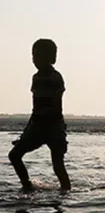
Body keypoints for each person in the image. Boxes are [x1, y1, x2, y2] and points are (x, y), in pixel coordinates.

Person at [9, 39, 71, 191]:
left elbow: (57, 106)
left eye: (40, 56)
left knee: (58, 165)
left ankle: (66, 192)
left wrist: (56, 130)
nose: (36, 60)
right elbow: (35, 107)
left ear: (52, 58)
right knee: (14, 156)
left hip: (53, 125)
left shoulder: (56, 77)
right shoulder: (35, 78)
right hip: (37, 125)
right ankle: (27, 185)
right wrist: (26, 134)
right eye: (34, 56)